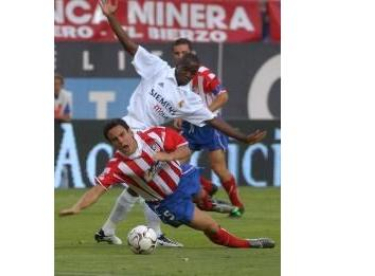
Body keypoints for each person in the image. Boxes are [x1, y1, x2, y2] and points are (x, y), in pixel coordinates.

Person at [93, 0, 267, 248]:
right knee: (156, 185)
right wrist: (111, 18)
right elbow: (131, 47)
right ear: (178, 65)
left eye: (191, 71)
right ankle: (159, 229)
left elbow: (212, 120)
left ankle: (112, 230)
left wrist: (243, 138)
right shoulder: (157, 69)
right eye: (185, 68)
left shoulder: (189, 100)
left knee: (142, 187)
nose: (187, 73)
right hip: (132, 132)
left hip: (149, 139)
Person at [59, 119, 275, 249]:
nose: (121, 141)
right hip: (167, 202)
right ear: (111, 143)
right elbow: (97, 190)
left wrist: (163, 157)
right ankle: (249, 243)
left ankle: (209, 202)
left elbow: (185, 149)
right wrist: (77, 207)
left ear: (130, 131)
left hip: (182, 176)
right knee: (210, 227)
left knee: (202, 195)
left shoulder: (154, 135)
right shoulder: (118, 166)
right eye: (115, 139)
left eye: (123, 134)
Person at [171, 38, 245, 217]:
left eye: (184, 53)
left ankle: (237, 206)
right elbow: (182, 99)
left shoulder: (204, 74)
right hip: (190, 127)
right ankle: (208, 187)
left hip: (211, 126)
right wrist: (181, 115)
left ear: (192, 54)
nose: (180, 56)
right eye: (177, 53)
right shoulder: (174, 75)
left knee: (219, 168)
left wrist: (204, 112)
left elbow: (223, 96)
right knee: (174, 164)